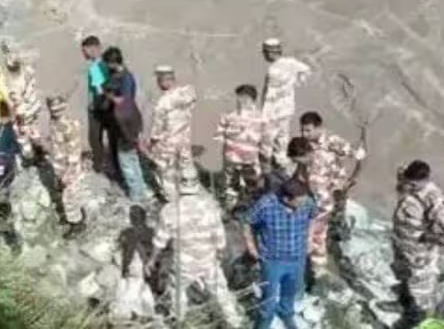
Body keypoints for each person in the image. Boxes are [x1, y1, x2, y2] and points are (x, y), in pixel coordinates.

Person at [154, 167, 244, 328]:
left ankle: (179, 321)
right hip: (208, 260)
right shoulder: (210, 207)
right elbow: (219, 236)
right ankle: (234, 322)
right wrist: (219, 254)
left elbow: (160, 241)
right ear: (196, 182)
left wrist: (152, 259)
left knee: (177, 292)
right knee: (221, 293)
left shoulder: (169, 210)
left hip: (183, 264)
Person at [289, 111, 365, 283]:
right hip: (313, 193)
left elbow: (356, 155)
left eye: (308, 130)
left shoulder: (332, 142)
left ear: (318, 128)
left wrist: (346, 181)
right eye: (302, 130)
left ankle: (322, 264)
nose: (304, 134)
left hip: (330, 193)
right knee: (316, 231)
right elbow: (302, 168)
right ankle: (315, 265)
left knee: (323, 230)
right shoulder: (306, 145)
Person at [391, 160, 444, 328]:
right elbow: (401, 171)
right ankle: (403, 304)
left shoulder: (434, 202)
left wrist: (428, 237)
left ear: (424, 180)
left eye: (413, 185)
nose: (409, 187)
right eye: (407, 182)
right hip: (402, 245)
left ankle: (414, 320)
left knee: (418, 290)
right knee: (402, 276)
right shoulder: (406, 176)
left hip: (419, 255)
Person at [243, 178, 317, 329]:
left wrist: (310, 239)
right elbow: (246, 221)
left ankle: (286, 313)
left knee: (290, 291)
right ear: (286, 199)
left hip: (297, 258)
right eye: (299, 201)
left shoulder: (307, 202)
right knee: (269, 297)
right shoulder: (266, 204)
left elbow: (313, 216)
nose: (304, 203)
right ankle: (264, 322)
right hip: (273, 260)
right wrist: (251, 247)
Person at [260, 39, 311, 172]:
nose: (264, 55)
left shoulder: (274, 69)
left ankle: (269, 171)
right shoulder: (291, 63)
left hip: (273, 111)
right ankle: (282, 167)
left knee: (267, 143)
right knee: (282, 139)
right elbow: (306, 70)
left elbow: (269, 94)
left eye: (265, 52)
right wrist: (296, 83)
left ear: (270, 52)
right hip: (286, 109)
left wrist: (263, 113)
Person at [147, 65, 198, 200]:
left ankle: (171, 197)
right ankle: (190, 189)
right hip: (184, 137)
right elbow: (192, 103)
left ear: (165, 81)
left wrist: (152, 142)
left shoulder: (163, 102)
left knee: (165, 168)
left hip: (168, 141)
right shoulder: (187, 93)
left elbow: (157, 127)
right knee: (185, 162)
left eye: (159, 80)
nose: (158, 84)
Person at [104, 47, 147, 202]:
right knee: (133, 159)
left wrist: (110, 97)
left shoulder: (125, 81)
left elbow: (123, 102)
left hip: (126, 127)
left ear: (113, 62)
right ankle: (141, 190)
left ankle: (136, 195)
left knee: (127, 162)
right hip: (131, 123)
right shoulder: (125, 76)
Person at [215, 84, 266, 213]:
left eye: (243, 97)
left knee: (252, 185)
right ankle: (230, 210)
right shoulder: (229, 116)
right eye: (238, 97)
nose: (239, 101)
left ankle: (251, 210)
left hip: (250, 160)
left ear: (250, 99)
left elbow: (265, 139)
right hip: (232, 159)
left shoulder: (260, 118)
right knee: (231, 186)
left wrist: (264, 156)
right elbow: (219, 135)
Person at [47, 95, 87, 239]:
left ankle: (77, 225)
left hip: (70, 170)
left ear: (64, 107)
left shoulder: (69, 126)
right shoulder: (53, 121)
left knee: (69, 198)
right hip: (60, 166)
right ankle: (78, 215)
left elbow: (74, 153)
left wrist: (67, 173)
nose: (55, 112)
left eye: (58, 109)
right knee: (70, 194)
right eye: (53, 109)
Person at [1, 42, 44, 162]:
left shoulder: (14, 85)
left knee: (22, 136)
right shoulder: (28, 72)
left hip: (24, 113)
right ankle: (40, 150)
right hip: (35, 106)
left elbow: (17, 105)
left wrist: (19, 122)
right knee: (34, 128)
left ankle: (29, 157)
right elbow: (22, 61)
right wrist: (8, 52)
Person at [81, 35, 111, 175]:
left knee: (94, 137)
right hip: (108, 106)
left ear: (92, 49)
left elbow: (99, 90)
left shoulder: (96, 67)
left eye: (84, 50)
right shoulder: (108, 64)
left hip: (99, 108)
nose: (83, 54)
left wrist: (93, 106)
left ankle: (99, 164)